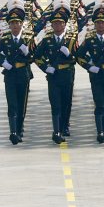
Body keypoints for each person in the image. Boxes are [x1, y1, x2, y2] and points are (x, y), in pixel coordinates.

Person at [74, 10, 104, 142]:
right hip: (97, 76)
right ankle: (100, 131)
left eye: (103, 23)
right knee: (99, 104)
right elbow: (79, 56)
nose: (100, 25)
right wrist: (89, 67)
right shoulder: (90, 40)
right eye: (98, 23)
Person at [0, 11, 33, 144]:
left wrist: (28, 53)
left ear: (21, 24)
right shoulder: (5, 40)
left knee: (21, 104)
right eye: (12, 23)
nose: (14, 26)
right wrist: (3, 63)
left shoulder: (28, 39)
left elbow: (37, 56)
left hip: (23, 74)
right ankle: (13, 132)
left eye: (17, 23)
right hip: (11, 75)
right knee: (12, 104)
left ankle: (19, 129)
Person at [33, 9, 76, 144]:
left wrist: (69, 55)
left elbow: (78, 58)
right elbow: (37, 57)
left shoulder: (71, 40)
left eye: (60, 23)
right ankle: (56, 131)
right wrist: (46, 67)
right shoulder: (47, 40)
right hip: (54, 76)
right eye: (55, 23)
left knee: (66, 103)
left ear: (64, 24)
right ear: (51, 25)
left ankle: (64, 127)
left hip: (67, 75)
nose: (57, 25)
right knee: (55, 103)